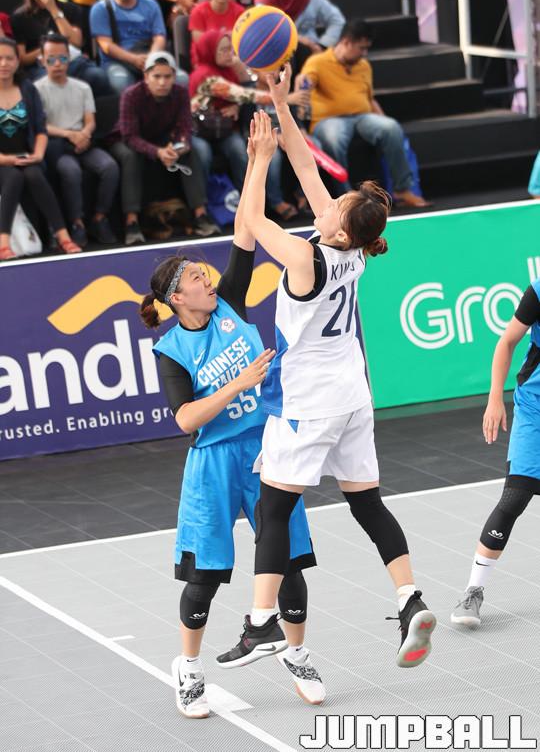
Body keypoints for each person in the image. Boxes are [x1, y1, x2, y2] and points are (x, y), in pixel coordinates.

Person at [216, 65, 436, 678]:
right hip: (353, 396)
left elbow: (252, 224)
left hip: (308, 401)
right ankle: (409, 598)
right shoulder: (354, 250)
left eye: (337, 202)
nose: (330, 198)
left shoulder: (306, 256)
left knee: (272, 510)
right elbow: (308, 164)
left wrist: (257, 160)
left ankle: (261, 622)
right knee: (367, 504)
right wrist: (280, 104)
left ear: (339, 222)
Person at [140, 135, 323, 717]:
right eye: (197, 277)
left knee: (287, 560)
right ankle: (188, 668)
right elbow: (185, 419)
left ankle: (297, 653)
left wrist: (259, 161)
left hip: (266, 449)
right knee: (207, 574)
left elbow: (246, 228)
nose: (208, 279)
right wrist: (238, 384)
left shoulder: (230, 303)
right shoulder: (172, 351)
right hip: (213, 461)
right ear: (177, 297)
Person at [451, 279, 540, 628]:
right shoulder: (539, 291)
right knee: (515, 497)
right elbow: (507, 341)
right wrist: (494, 399)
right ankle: (473, 591)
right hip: (535, 408)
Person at [298, 19, 429, 208]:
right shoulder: (317, 62)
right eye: (361, 48)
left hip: (362, 117)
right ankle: (346, 198)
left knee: (391, 127)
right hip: (328, 120)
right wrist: (304, 85)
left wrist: (385, 120)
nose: (364, 53)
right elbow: (304, 84)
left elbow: (370, 99)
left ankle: (402, 190)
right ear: (346, 42)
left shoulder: (364, 66)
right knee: (334, 138)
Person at [190, 29, 308, 219]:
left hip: (224, 129)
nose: (229, 54)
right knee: (202, 153)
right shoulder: (205, 74)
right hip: (200, 131)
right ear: (209, 52)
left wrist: (236, 105)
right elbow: (245, 94)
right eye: (223, 50)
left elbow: (245, 86)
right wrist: (286, 98)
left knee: (240, 151)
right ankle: (201, 209)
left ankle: (247, 205)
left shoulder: (229, 69)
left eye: (230, 49)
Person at [107, 51, 220, 244]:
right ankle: (131, 222)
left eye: (167, 77)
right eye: (157, 76)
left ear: (174, 77)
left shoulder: (180, 93)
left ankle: (200, 215)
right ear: (146, 77)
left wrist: (179, 147)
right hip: (124, 141)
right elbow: (130, 136)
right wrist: (158, 152)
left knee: (191, 151)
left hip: (161, 139)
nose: (162, 82)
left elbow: (185, 129)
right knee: (131, 157)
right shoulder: (131, 95)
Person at [0, 36, 80, 260]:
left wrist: (37, 154)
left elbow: (40, 129)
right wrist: (6, 160)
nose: (4, 63)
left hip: (27, 156)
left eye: (9, 58)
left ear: (18, 61)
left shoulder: (27, 88)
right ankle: (3, 242)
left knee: (34, 174)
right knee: (14, 177)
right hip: (2, 161)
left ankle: (63, 237)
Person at [35, 33, 118, 247]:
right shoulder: (37, 89)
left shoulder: (82, 87)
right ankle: (77, 223)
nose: (57, 64)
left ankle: (100, 218)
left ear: (69, 59)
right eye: (51, 59)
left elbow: (90, 120)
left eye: (63, 58)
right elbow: (41, 125)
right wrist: (69, 134)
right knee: (71, 171)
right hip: (58, 146)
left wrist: (84, 134)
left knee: (109, 167)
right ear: (42, 60)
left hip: (84, 142)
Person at [11, 0, 110, 96]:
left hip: (73, 61)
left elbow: (76, 42)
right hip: (42, 66)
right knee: (49, 81)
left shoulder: (71, 9)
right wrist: (49, 49)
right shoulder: (20, 17)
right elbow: (22, 59)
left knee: (98, 76)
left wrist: (54, 10)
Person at [90, 0, 185, 94]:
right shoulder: (101, 9)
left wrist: (151, 58)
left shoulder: (150, 4)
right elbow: (106, 45)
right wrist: (134, 59)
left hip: (150, 56)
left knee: (182, 79)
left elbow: (159, 37)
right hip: (117, 61)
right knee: (120, 82)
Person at [188, 0, 244, 64]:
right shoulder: (198, 12)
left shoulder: (239, 12)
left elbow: (242, 41)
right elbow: (201, 44)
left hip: (232, 58)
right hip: (206, 61)